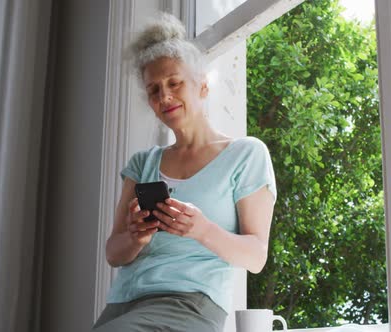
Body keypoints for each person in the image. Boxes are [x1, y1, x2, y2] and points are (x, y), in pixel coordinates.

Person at [92, 13, 277, 332]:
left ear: (202, 86)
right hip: (124, 304)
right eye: (153, 90)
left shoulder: (245, 154)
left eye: (174, 83)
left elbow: (256, 257)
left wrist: (202, 229)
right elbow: (114, 253)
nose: (164, 97)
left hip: (191, 304)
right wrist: (137, 238)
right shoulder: (143, 163)